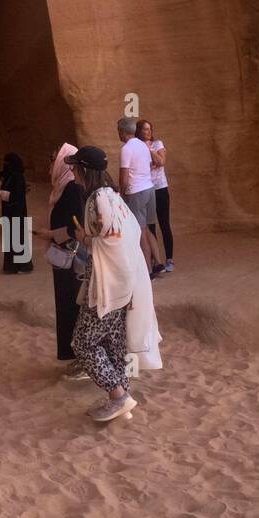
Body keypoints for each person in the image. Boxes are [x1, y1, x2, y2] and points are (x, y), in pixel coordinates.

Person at [68, 145, 162, 422]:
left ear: (84, 170)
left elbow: (111, 242)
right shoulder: (114, 197)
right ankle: (122, 398)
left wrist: (84, 239)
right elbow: (127, 234)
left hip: (107, 287)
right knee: (113, 344)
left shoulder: (96, 200)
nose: (72, 172)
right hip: (124, 283)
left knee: (83, 343)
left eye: (74, 167)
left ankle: (119, 395)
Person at [46, 143, 87, 372]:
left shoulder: (71, 187)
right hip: (64, 254)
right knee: (66, 304)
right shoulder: (62, 186)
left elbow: (77, 226)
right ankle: (75, 355)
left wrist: (51, 234)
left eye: (55, 159)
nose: (52, 163)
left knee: (73, 304)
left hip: (73, 256)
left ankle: (82, 357)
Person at [116, 117, 163, 275]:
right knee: (147, 229)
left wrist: (121, 194)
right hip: (150, 189)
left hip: (136, 192)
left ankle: (148, 271)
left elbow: (124, 176)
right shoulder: (143, 146)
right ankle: (157, 263)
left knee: (140, 233)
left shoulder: (127, 148)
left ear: (123, 131)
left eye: (118, 131)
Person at [137, 119, 174, 273]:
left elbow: (161, 162)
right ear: (139, 131)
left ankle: (169, 259)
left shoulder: (157, 144)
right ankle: (155, 261)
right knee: (150, 226)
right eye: (145, 129)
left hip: (160, 189)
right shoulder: (136, 147)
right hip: (147, 189)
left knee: (164, 223)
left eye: (150, 129)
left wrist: (149, 150)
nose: (149, 132)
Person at [0, 152, 31, 273]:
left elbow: (17, 196)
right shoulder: (10, 175)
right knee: (10, 238)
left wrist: (1, 193)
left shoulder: (18, 177)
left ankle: (23, 266)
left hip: (17, 212)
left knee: (18, 238)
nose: (5, 166)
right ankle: (11, 266)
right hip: (8, 212)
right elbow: (5, 186)